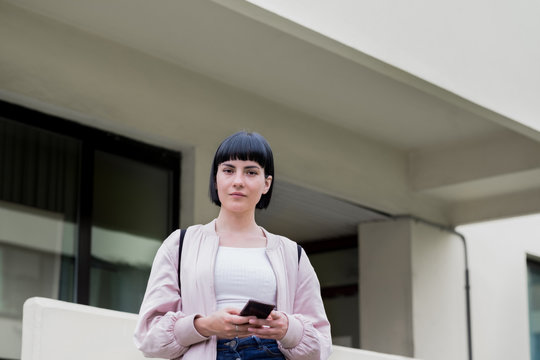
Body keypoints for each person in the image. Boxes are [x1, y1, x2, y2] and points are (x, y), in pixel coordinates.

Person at [134, 131, 332, 360]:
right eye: (228, 170)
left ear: (266, 183)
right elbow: (149, 337)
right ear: (216, 178)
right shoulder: (180, 244)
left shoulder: (292, 254)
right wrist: (204, 326)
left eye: (251, 172)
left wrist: (288, 329)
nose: (238, 181)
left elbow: (321, 344)